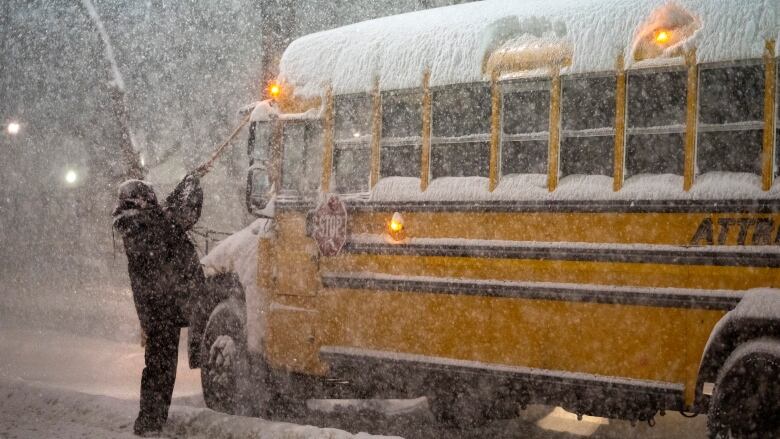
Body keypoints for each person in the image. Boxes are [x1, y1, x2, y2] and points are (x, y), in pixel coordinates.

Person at [112, 174, 205, 436]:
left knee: (160, 368)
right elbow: (177, 221)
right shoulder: (144, 227)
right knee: (160, 369)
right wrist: (190, 184)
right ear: (142, 201)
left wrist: (188, 182)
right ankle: (149, 423)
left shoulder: (139, 224)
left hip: (160, 309)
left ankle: (151, 421)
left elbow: (170, 217)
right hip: (162, 309)